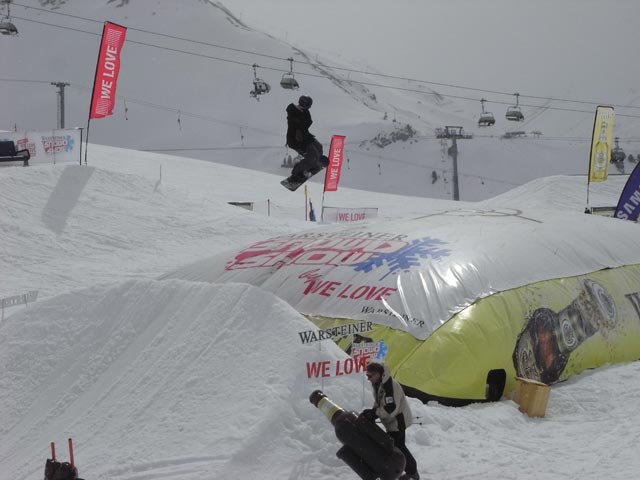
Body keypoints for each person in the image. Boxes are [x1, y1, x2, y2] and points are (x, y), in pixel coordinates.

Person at [361, 361, 419, 480]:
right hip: (392, 422)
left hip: (398, 421)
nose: (368, 378)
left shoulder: (389, 385)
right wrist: (371, 412)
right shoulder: (379, 384)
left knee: (397, 448)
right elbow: (379, 402)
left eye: (370, 375)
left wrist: (374, 413)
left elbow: (391, 408)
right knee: (398, 447)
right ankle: (411, 472)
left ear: (378, 374)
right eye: (367, 375)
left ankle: (412, 472)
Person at [285, 95, 328, 183]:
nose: (309, 107)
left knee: (319, 147)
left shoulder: (304, 111)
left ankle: (314, 165)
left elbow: (306, 124)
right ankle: (296, 175)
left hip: (305, 136)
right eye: (309, 105)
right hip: (296, 140)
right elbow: (299, 125)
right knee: (311, 156)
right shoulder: (294, 113)